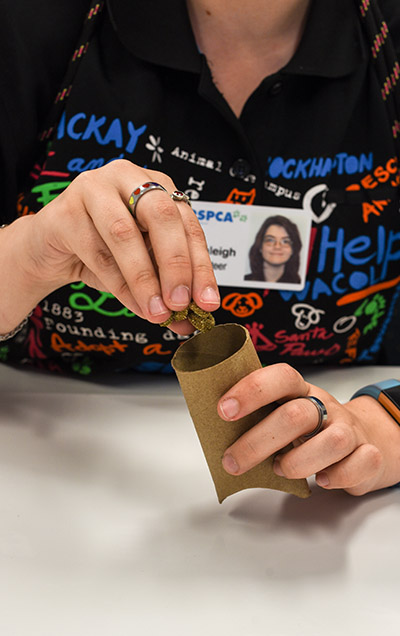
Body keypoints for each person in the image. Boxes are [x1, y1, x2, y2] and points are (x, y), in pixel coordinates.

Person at [1, 0, 400, 496]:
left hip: (337, 519)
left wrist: (386, 420)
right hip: (41, 478)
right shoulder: (28, 23)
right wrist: (23, 258)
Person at [245, 214, 302, 283]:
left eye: (285, 241)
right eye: (270, 240)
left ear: (293, 249)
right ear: (260, 247)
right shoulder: (244, 281)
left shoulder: (300, 284)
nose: (277, 246)